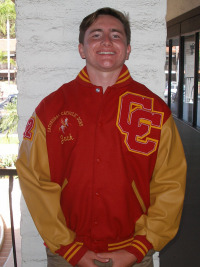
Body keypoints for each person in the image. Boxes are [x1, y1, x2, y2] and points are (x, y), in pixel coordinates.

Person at [16, 7, 187, 267]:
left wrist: (142, 245)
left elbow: (171, 182)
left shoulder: (155, 109)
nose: (106, 41)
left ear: (128, 49)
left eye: (116, 35)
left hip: (134, 251)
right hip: (68, 253)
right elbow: (33, 178)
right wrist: (67, 245)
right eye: (96, 35)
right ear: (82, 49)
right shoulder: (51, 108)